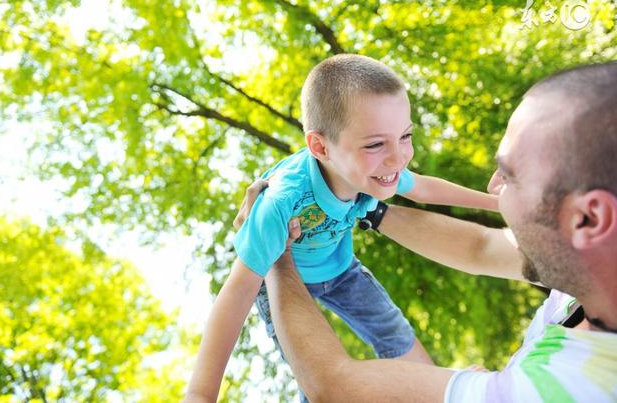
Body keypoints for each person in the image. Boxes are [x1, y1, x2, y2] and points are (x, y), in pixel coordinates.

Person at [237, 61, 617, 402]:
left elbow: (334, 385)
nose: (492, 186)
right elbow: (480, 247)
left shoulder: (564, 390)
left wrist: (277, 254)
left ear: (589, 218)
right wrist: (370, 205)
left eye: (511, 176)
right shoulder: (589, 265)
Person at [184, 54, 498, 402]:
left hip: (339, 267)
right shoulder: (281, 203)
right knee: (314, 372)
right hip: (285, 281)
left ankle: (446, 393)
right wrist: (200, 394)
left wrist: (498, 204)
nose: (399, 157)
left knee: (392, 328)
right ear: (320, 147)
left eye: (405, 136)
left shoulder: (375, 169)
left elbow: (424, 188)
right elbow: (236, 292)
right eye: (376, 144)